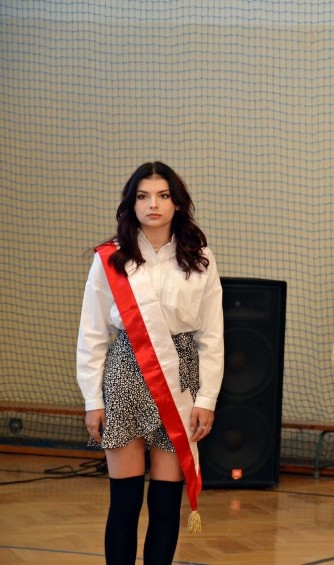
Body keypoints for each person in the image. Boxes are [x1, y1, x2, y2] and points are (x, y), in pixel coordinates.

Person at [76, 162, 224, 564]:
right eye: (142, 196)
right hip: (125, 375)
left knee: (164, 505)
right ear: (131, 203)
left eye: (162, 195)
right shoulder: (110, 258)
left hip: (180, 380)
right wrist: (93, 398)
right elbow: (92, 333)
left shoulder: (202, 258)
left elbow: (212, 336)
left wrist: (207, 398)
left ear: (177, 203)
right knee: (123, 504)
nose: (152, 205)